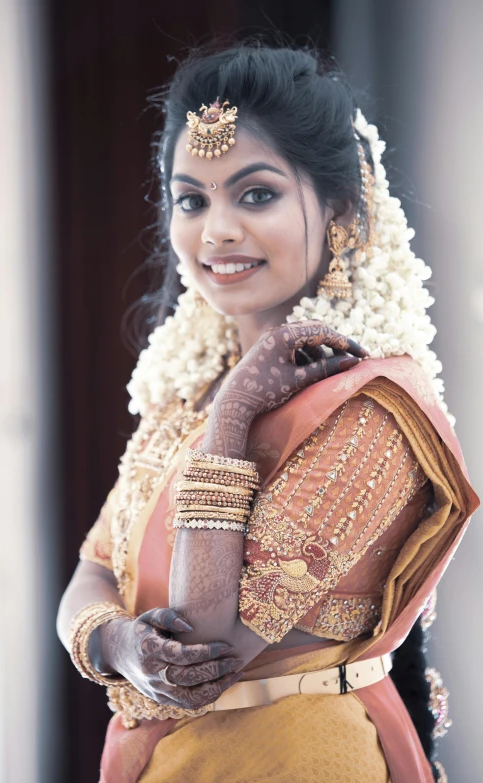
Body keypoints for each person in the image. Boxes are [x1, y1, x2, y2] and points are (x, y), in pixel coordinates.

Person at [56, 42, 478, 783]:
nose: (216, 229)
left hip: (299, 757)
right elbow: (92, 569)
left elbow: (205, 640)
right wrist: (117, 644)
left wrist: (232, 422)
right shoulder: (185, 394)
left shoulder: (373, 411)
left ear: (341, 211)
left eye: (255, 194)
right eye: (192, 199)